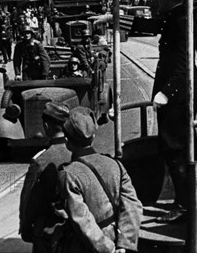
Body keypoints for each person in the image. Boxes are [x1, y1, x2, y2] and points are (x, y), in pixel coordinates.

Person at [151, 0, 197, 223]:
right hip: (178, 94)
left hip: (179, 95)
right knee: (173, 146)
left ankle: (184, 205)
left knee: (175, 147)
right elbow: (151, 26)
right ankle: (180, 199)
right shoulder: (175, 17)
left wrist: (166, 92)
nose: (156, 0)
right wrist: (114, 20)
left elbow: (183, 64)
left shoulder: (181, 21)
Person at [58, 106, 142, 253]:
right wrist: (124, 244)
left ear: (67, 141)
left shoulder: (69, 174)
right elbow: (133, 206)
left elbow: (82, 220)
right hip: (117, 236)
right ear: (93, 137)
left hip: (87, 246)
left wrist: (108, 249)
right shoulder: (115, 165)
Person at [19, 102, 71, 252]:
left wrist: (25, 228)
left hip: (48, 231)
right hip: (78, 227)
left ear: (46, 126)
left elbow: (29, 200)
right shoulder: (76, 152)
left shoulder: (41, 161)